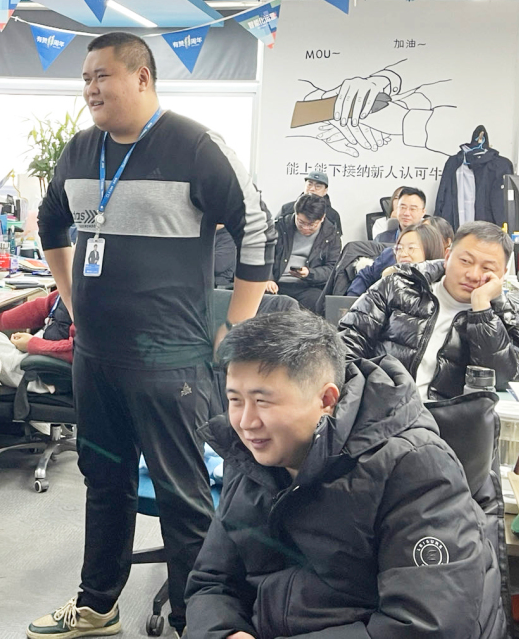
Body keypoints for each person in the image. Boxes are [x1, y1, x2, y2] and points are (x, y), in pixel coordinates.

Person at [31, 31, 276, 639]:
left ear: (142, 77)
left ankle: (200, 624)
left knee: (182, 497)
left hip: (170, 360)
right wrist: (70, 298)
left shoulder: (194, 145)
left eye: (102, 76)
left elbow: (256, 227)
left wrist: (236, 324)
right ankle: (97, 605)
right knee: (104, 482)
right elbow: (50, 223)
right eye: (85, 79)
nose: (90, 89)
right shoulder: (79, 152)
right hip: (96, 357)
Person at [185, 311, 507, 639]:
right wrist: (224, 632)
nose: (245, 422)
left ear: (326, 399)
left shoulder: (414, 467)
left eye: (262, 401)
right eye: (235, 400)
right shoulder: (250, 456)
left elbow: (427, 624)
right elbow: (211, 582)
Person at [340, 220, 519, 401]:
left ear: (503, 274)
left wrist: (482, 311)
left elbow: (503, 381)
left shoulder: (506, 318)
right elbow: (347, 345)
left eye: (487, 268)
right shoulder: (398, 286)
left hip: (448, 415)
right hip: (381, 405)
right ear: (447, 257)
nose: (473, 275)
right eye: (465, 261)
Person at [267, 193, 340, 312]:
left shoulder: (331, 235)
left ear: (322, 218)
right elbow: (263, 255)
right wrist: (268, 278)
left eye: (311, 225)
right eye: (301, 222)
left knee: (319, 303)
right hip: (276, 283)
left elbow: (332, 269)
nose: (305, 228)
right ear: (295, 214)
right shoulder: (280, 227)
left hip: (307, 287)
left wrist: (309, 273)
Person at [0, 290, 74, 390]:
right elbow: (41, 308)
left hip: (47, 374)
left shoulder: (88, 298)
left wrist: (31, 344)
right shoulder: (73, 287)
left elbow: (76, 350)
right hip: (41, 354)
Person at [347, 221, 446, 296]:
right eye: (399, 248)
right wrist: (351, 300)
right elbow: (366, 275)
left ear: (430, 250)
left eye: (411, 248)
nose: (403, 254)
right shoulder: (390, 258)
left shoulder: (441, 286)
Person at [275, 170, 342, 235]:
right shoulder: (286, 209)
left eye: (318, 186)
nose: (312, 189)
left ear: (325, 191)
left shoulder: (332, 215)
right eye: (309, 184)